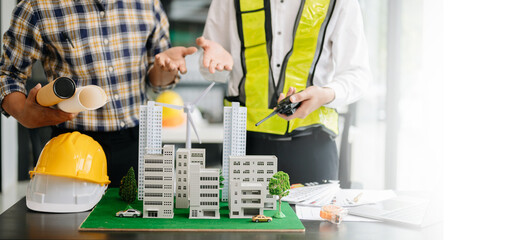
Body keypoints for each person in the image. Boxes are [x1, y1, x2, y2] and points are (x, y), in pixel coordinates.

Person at [0, 0, 197, 187]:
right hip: (71, 147)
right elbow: (8, 74)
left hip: (136, 142)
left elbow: (157, 81)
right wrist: (23, 114)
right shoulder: (36, 6)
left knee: (134, 218)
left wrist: (166, 69)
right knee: (69, 221)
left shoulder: (148, 3)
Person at [194, 0, 372, 183]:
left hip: (313, 148)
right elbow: (210, 69)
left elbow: (357, 74)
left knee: (316, 213)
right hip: (244, 144)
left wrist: (326, 94)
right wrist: (214, 64)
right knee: (241, 210)